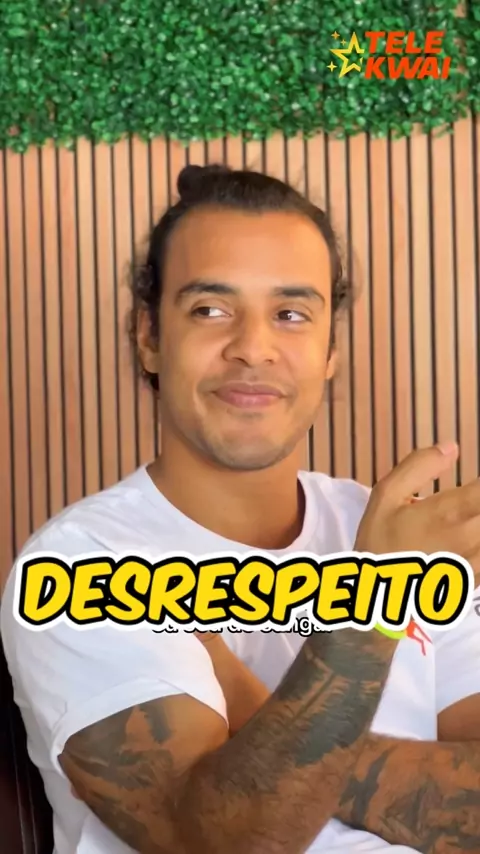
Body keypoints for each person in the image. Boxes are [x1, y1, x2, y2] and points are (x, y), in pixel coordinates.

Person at [2, 164, 480, 854]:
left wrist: (259, 714)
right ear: (149, 336)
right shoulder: (84, 563)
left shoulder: (394, 533)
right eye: (210, 310)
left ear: (329, 351)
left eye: (291, 314)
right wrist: (376, 600)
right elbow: (221, 842)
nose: (253, 347)